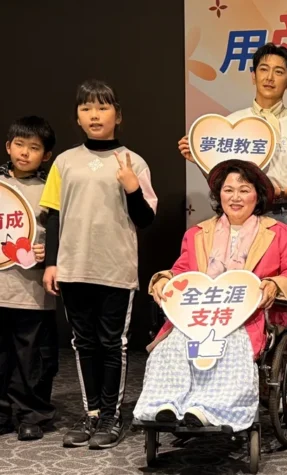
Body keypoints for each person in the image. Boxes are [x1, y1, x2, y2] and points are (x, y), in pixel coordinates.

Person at [134, 159, 287, 430]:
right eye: (228, 190)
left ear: (257, 196)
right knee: (173, 343)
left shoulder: (279, 233)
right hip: (200, 314)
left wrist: (275, 284)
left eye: (244, 190)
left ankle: (214, 408)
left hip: (251, 316)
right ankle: (165, 404)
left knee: (231, 343)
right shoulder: (197, 233)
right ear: (219, 195)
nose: (235, 197)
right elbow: (182, 270)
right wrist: (165, 279)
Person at [40, 80, 158, 449]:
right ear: (77, 117)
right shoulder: (64, 161)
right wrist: (51, 263)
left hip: (114, 269)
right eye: (87, 108)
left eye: (103, 107)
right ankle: (91, 413)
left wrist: (131, 186)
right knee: (83, 343)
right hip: (73, 266)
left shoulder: (133, 161)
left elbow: (145, 218)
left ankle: (111, 415)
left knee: (112, 343)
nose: (95, 115)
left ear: (117, 116)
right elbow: (54, 215)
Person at [179, 43, 287, 329]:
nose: (269, 77)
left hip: (282, 216)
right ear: (253, 75)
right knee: (232, 296)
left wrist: (277, 192)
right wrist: (200, 159)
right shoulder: (232, 123)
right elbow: (221, 182)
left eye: (279, 71)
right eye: (263, 69)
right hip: (235, 221)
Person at [0, 117, 58, 441]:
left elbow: (61, 231)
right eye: (19, 145)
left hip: (32, 289)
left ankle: (31, 415)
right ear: (8, 146)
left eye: (34, 148)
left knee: (31, 356)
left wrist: (47, 252)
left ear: (45, 155)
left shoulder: (50, 189)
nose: (24, 153)